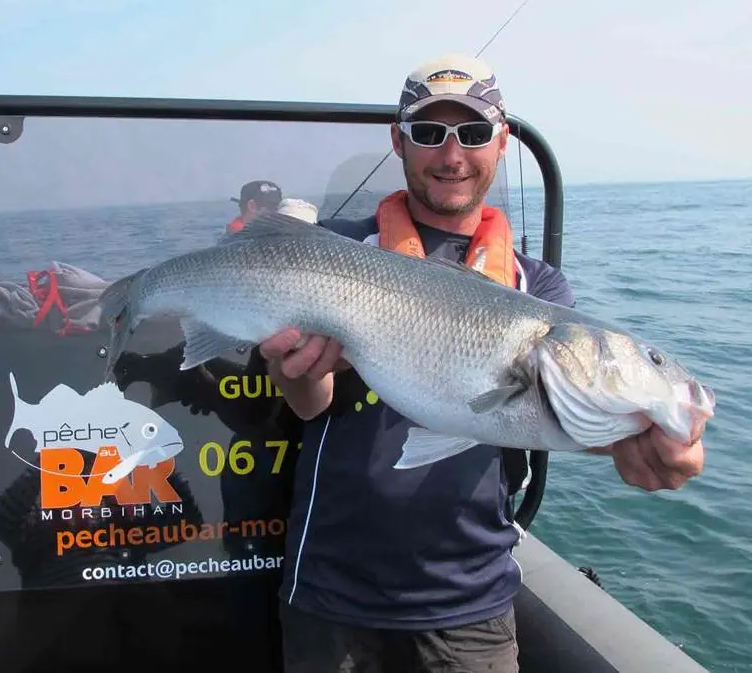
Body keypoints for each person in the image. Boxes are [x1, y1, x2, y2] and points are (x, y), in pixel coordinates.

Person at [256, 53, 706, 672]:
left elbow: (552, 405)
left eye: (471, 133)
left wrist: (637, 434)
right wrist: (295, 373)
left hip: (471, 605)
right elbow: (310, 404)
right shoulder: (335, 253)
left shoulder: (538, 288)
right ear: (398, 141)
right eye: (428, 133)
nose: (451, 154)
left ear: (501, 141)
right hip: (331, 590)